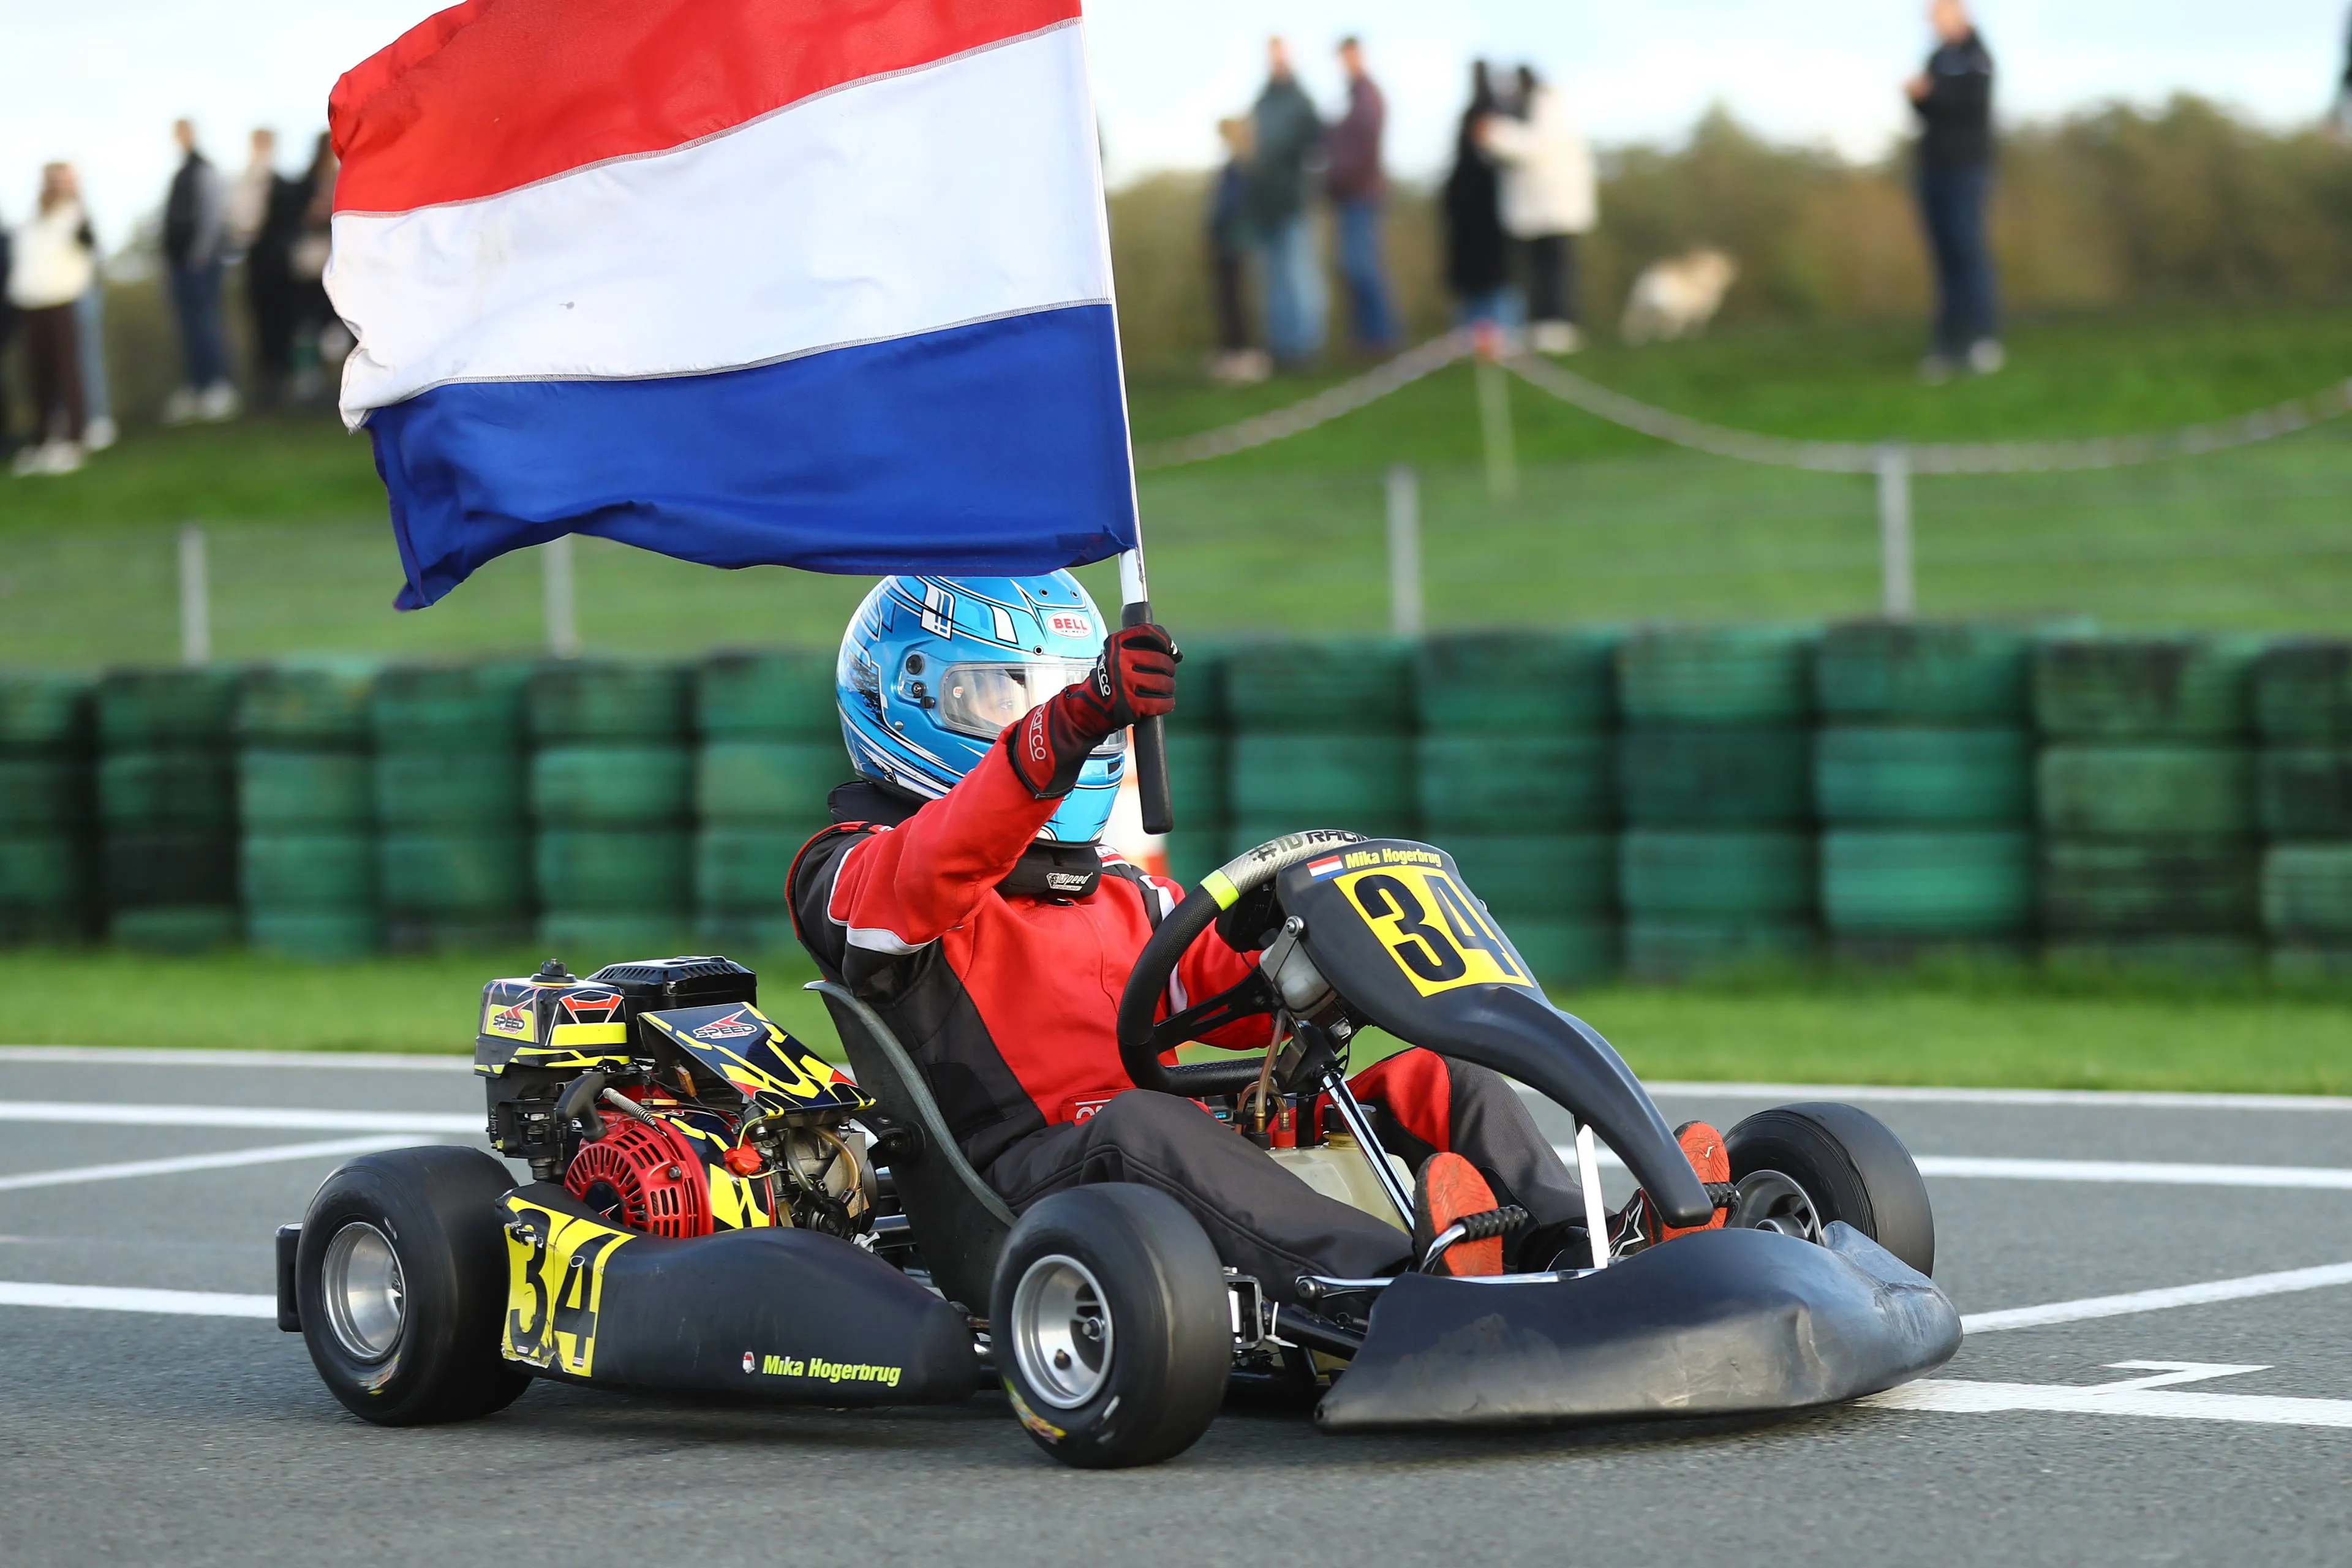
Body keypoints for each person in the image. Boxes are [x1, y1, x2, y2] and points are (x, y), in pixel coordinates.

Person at [790, 573, 1733, 1299]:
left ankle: (1585, 1247)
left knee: (1443, 1076)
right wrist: (1064, 729)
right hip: (1022, 1181)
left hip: (1171, 1145)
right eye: (1004, 696)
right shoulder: (849, 873)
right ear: (905, 698)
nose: (1039, 713)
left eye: (1063, 691)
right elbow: (931, 868)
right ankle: (1403, 1283)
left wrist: (1311, 952)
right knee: (1146, 1123)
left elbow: (1233, 1002)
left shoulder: (1122, 892)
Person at [1907, 0, 2000, 380]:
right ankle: (1947, 342)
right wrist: (1916, 98)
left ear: (1958, 13)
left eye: (1938, 14)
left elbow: (1970, 105)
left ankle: (1982, 338)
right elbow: (1928, 113)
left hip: (1968, 168)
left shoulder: (1978, 56)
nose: (1933, 21)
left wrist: (1933, 95)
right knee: (1944, 257)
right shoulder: (1936, 57)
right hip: (1934, 167)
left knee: (1967, 250)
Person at [1480, 66, 1596, 355]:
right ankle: (1541, 328)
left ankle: (1559, 329)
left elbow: (1535, 145)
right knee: (1537, 270)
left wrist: (1495, 134)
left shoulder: (1548, 106)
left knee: (1554, 269)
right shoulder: (1528, 107)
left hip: (1553, 205)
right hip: (1537, 208)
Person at [1243, 37, 1327, 368]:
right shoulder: (1261, 102)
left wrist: (1279, 151)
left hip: (1293, 200)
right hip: (1265, 203)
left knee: (1299, 276)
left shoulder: (1302, 101)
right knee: (1274, 279)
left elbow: (1315, 142)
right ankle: (1282, 349)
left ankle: (1306, 348)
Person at [8, 165, 97, 476]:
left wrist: (78, 204)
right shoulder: (31, 221)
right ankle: (43, 440)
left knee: (67, 371)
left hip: (62, 301)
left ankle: (74, 441)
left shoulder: (75, 216)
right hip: (31, 303)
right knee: (38, 375)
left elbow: (89, 243)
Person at [162, 118, 239, 423]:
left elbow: (212, 216)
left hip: (201, 264)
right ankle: (197, 386)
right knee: (189, 328)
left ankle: (218, 386)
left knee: (207, 324)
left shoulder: (204, 170)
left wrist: (199, 256)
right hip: (180, 264)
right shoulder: (181, 173)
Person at [1325, 36, 1396, 357]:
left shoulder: (1366, 96)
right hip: (1352, 194)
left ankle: (1379, 338)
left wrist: (1339, 178)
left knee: (1362, 266)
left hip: (1361, 194)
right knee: (1355, 266)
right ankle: (1367, 338)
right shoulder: (1354, 97)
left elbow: (1363, 149)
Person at [1442, 62, 1513, 331]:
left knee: (1494, 278)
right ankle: (1476, 334)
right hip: (1471, 222)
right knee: (1478, 281)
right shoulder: (1479, 115)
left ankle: (1497, 333)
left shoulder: (1493, 116)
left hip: (1489, 224)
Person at [1205, 117, 1267, 385]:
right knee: (1230, 298)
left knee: (1234, 299)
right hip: (1233, 241)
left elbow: (1228, 207)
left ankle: (1242, 356)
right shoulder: (1240, 167)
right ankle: (1235, 353)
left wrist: (1213, 230)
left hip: (1233, 242)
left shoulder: (1239, 168)